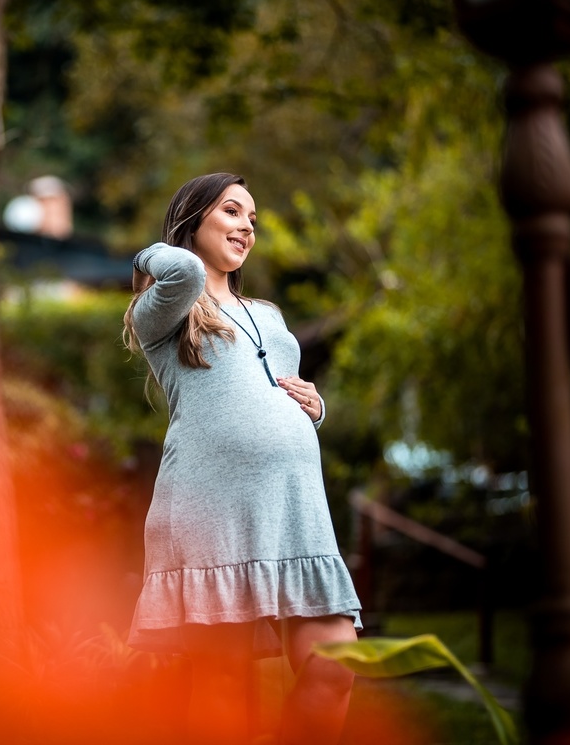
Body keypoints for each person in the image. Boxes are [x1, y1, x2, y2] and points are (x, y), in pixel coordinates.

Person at [123, 173, 361, 745]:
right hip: (212, 505)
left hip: (294, 505)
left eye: (253, 220)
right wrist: (152, 251)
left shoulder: (268, 313)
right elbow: (180, 270)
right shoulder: (162, 307)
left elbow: (276, 385)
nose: (247, 228)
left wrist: (314, 406)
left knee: (335, 667)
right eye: (232, 212)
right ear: (193, 219)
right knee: (223, 691)